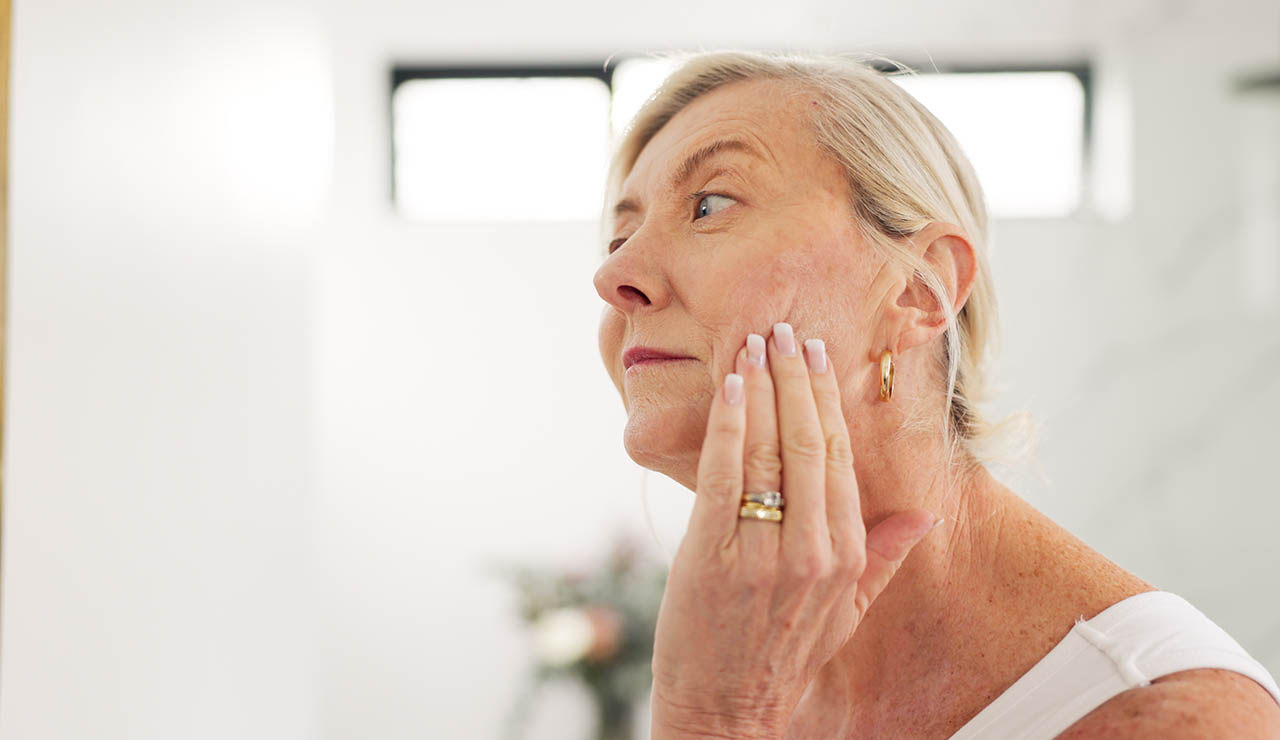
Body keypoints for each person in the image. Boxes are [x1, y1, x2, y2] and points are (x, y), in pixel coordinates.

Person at [591, 50, 1280, 739]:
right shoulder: (738, 668)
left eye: (710, 204)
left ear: (920, 288)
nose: (614, 273)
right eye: (621, 234)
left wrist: (712, 722)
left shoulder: (1168, 716)